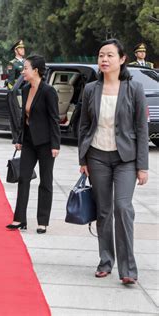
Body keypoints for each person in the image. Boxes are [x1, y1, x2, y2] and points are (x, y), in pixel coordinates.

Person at [78, 39, 149, 285]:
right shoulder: (90, 89)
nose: (104, 59)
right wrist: (83, 158)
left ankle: (128, 268)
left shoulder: (134, 89)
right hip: (97, 156)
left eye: (109, 55)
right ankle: (105, 260)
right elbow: (84, 126)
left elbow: (141, 129)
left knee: (123, 208)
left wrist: (143, 166)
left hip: (125, 160)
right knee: (104, 211)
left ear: (122, 59)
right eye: (100, 55)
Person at [6, 54, 60, 234]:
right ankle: (19, 219)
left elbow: (54, 119)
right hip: (29, 141)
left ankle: (42, 221)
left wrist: (55, 144)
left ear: (35, 70)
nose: (23, 71)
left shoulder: (48, 91)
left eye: (26, 68)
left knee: (45, 181)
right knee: (23, 178)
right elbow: (24, 117)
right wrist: (19, 139)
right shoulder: (26, 89)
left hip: (45, 143)